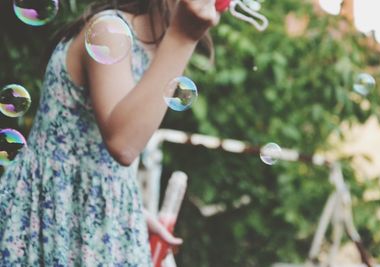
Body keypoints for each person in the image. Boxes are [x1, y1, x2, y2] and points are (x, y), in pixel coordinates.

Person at [0, 0, 219, 265]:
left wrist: (132, 213)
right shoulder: (110, 31)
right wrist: (183, 36)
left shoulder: (159, 49)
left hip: (104, 221)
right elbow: (123, 143)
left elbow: (108, 157)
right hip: (51, 216)